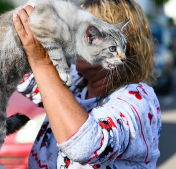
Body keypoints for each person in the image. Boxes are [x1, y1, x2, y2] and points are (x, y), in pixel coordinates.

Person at [12, 0, 161, 168]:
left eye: (89, 33)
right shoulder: (76, 83)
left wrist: (42, 63)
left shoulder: (139, 99)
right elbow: (16, 74)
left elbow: (85, 146)